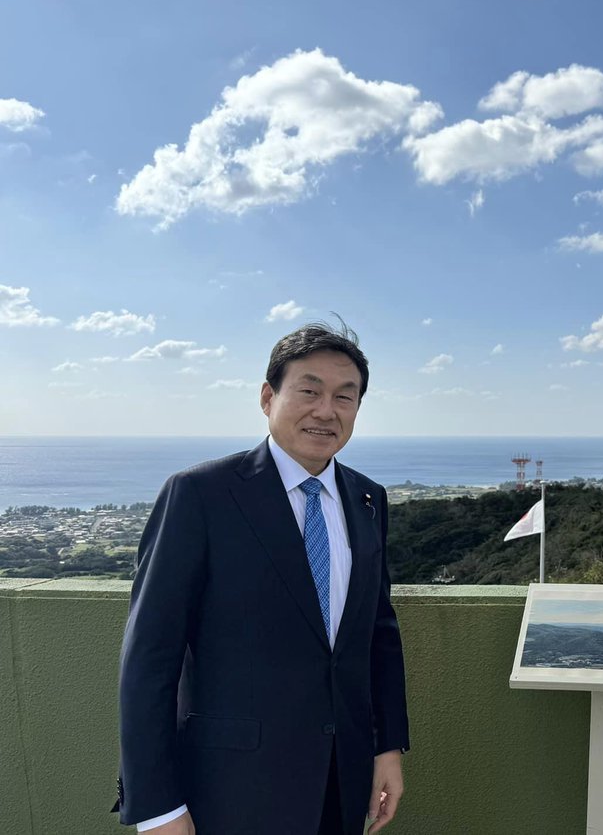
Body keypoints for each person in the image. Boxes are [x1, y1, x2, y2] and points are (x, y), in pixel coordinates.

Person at [115, 322, 409, 835]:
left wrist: (387, 748)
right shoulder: (200, 495)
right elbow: (150, 657)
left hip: (341, 781)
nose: (327, 411)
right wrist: (157, 806)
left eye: (345, 396)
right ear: (268, 397)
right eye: (309, 391)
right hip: (231, 789)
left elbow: (377, 634)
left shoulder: (367, 499)